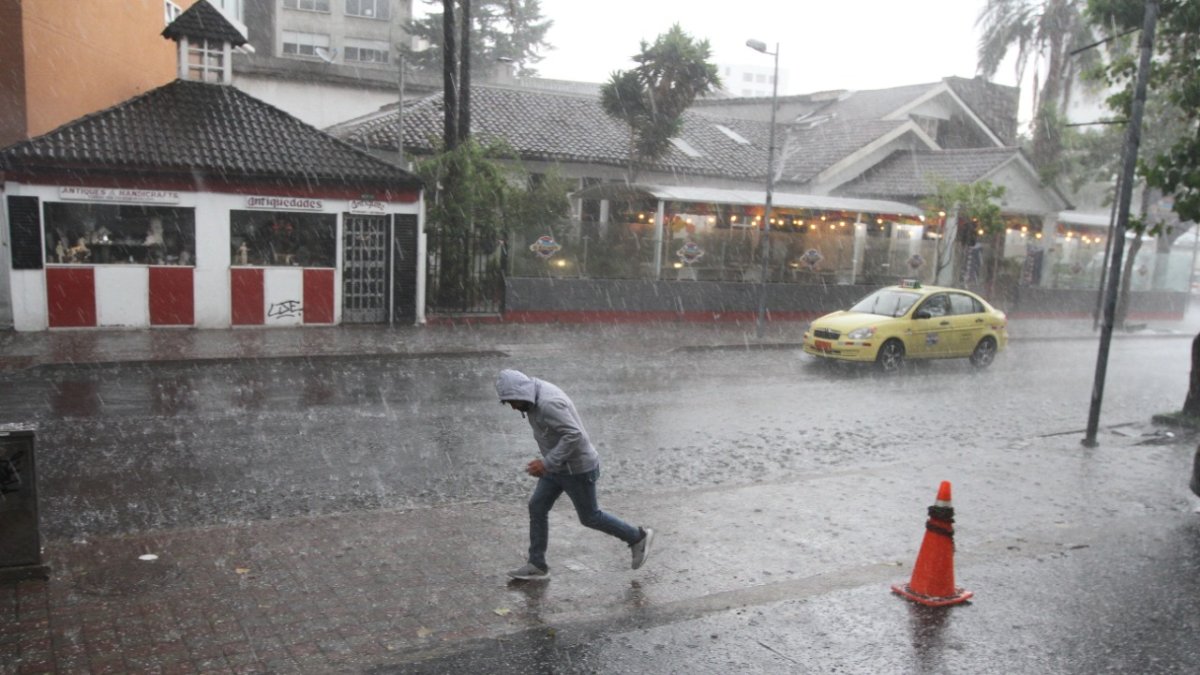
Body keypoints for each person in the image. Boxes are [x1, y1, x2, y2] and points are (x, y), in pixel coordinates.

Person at [495, 368, 654, 581]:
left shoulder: (548, 403)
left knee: (590, 517)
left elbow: (574, 435)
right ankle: (537, 565)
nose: (513, 407)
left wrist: (547, 462)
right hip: (557, 467)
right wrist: (549, 463)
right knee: (537, 506)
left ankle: (637, 537)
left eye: (512, 401)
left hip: (577, 469)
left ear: (519, 394)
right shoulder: (533, 395)